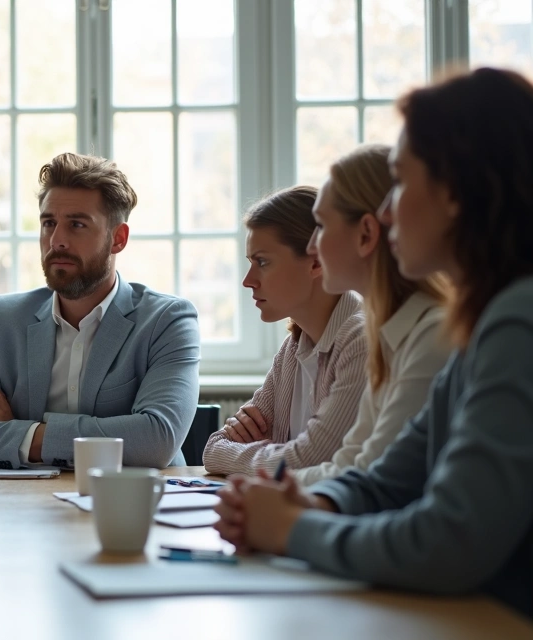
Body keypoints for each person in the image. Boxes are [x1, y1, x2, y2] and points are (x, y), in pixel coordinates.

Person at [214, 67, 533, 619]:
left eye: (403, 182)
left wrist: (293, 530)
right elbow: (385, 481)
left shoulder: (517, 320)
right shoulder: (480, 325)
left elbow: (448, 540)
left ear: (454, 192)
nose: (386, 213)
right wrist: (304, 504)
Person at [0, 152, 201, 470]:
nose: (57, 240)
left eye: (77, 224)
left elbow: (154, 441)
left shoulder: (167, 321)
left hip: (134, 508)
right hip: (25, 509)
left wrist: (22, 431)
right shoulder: (4, 319)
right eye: (49, 223)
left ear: (118, 238)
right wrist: (96, 434)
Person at [293, 145, 450, 486]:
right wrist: (268, 490)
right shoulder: (390, 336)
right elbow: (351, 461)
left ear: (366, 234)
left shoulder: (431, 336)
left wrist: (274, 494)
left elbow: (371, 477)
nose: (310, 247)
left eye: (320, 225)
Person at [202, 186, 367, 476]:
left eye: (262, 262)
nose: (248, 281)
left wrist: (257, 455)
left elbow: (309, 460)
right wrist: (278, 457)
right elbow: (213, 449)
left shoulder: (360, 340)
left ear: (316, 261)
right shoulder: (294, 347)